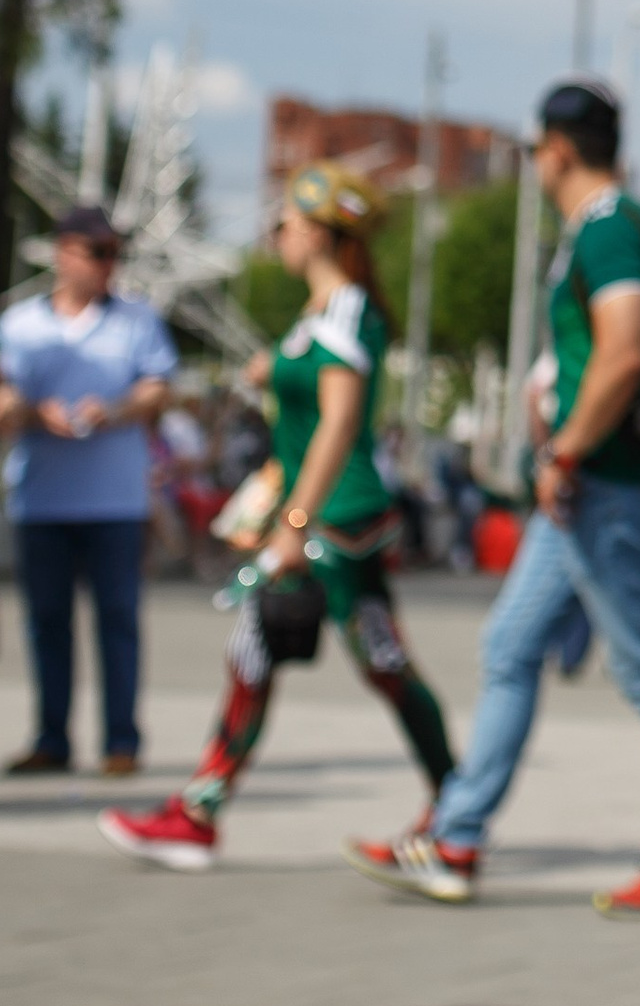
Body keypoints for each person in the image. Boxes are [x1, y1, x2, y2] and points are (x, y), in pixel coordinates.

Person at [349, 79, 640, 915]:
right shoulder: (618, 229)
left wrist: (565, 447)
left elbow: (626, 351)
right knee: (511, 646)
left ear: (555, 151)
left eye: (534, 154)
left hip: (608, 485)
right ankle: (455, 839)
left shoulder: (610, 230)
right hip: (591, 489)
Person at [98, 169, 454, 867]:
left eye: (285, 223)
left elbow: (339, 423)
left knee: (370, 664)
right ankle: (203, 810)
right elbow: (309, 404)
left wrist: (294, 522)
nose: (276, 235)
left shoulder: (346, 309)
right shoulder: (320, 314)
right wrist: (273, 376)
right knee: (302, 658)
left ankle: (455, 811)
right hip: (325, 519)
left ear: (320, 232)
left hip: (335, 524)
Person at [0, 204, 176, 776]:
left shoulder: (137, 320)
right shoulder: (19, 324)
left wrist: (114, 410)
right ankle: (52, 738)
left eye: (114, 253)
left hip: (115, 500)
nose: (107, 264)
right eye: (97, 252)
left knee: (117, 619)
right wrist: (29, 412)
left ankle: (122, 741)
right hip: (41, 498)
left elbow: (159, 388)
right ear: (63, 253)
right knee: (47, 623)